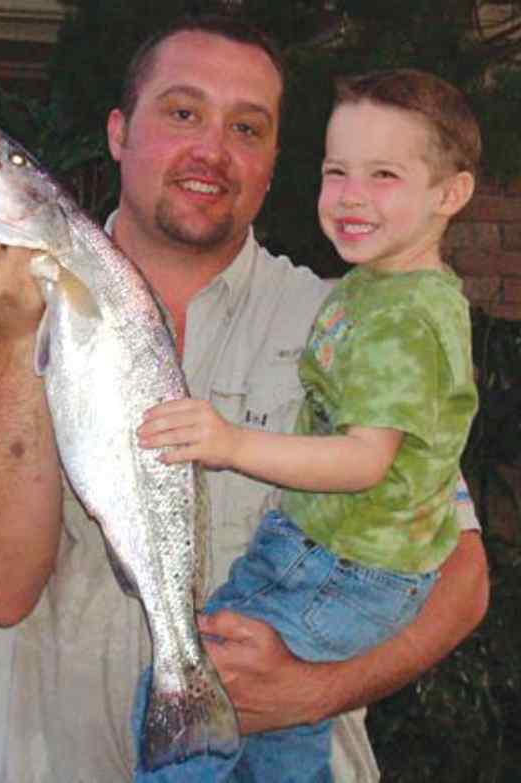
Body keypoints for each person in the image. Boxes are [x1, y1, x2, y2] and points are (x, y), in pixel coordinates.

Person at [0, 15, 489, 783]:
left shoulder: (350, 321)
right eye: (182, 113)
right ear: (119, 130)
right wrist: (1, 344)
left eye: (247, 127)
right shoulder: (0, 314)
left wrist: (317, 689)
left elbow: (463, 574)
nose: (213, 150)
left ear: (276, 158)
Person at [136, 68, 481, 781]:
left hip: (342, 563)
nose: (352, 195)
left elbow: (365, 460)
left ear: (449, 194)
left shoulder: (400, 319)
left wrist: (230, 442)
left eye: (384, 174)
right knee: (284, 708)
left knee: (190, 675)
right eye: (337, 171)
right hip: (349, 553)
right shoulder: (386, 285)